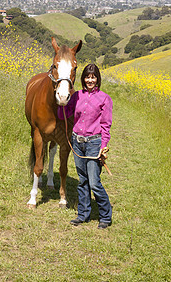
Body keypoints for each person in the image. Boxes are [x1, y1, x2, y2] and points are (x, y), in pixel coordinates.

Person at [58, 64, 113, 229]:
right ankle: (83, 215)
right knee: (83, 181)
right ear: (83, 79)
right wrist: (62, 103)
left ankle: (105, 216)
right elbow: (64, 114)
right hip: (77, 142)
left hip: (93, 143)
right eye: (87, 77)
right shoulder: (77, 96)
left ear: (97, 79)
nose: (90, 80)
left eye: (93, 77)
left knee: (94, 182)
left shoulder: (104, 98)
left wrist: (103, 146)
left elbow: (106, 126)